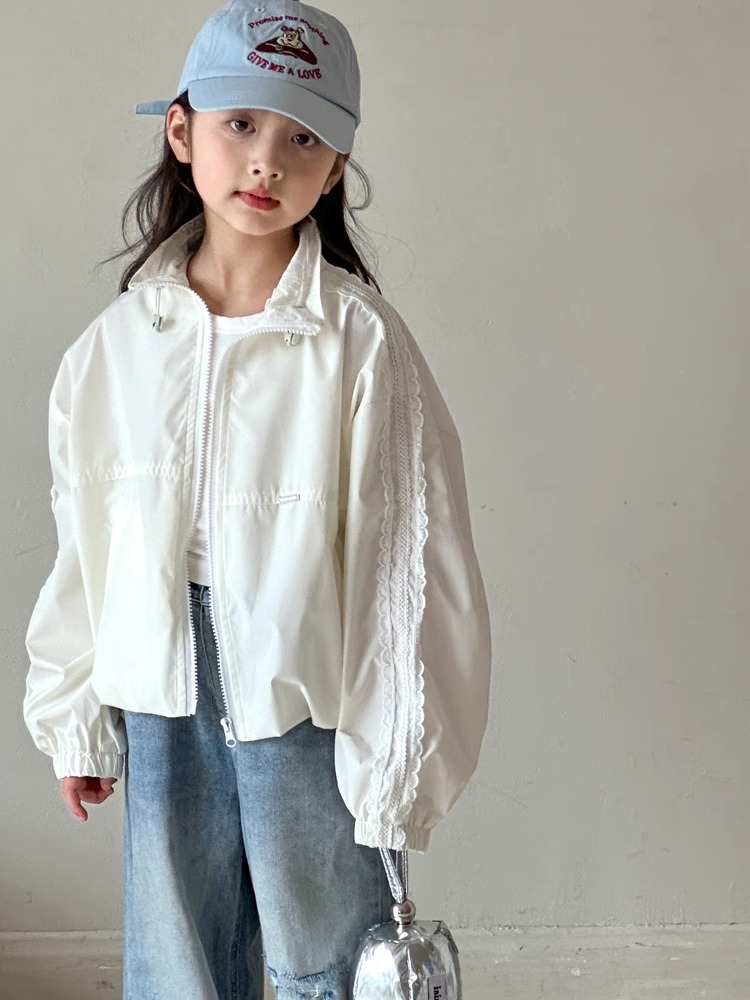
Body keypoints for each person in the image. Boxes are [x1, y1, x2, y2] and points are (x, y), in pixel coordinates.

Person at [22, 0, 492, 997]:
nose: (268, 161)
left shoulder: (360, 342)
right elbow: (87, 541)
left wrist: (398, 768)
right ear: (182, 131)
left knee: (328, 956)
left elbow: (413, 561)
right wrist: (75, 712)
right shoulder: (115, 349)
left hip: (307, 688)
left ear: (336, 167)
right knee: (176, 962)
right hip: (161, 690)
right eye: (241, 123)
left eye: (303, 137)